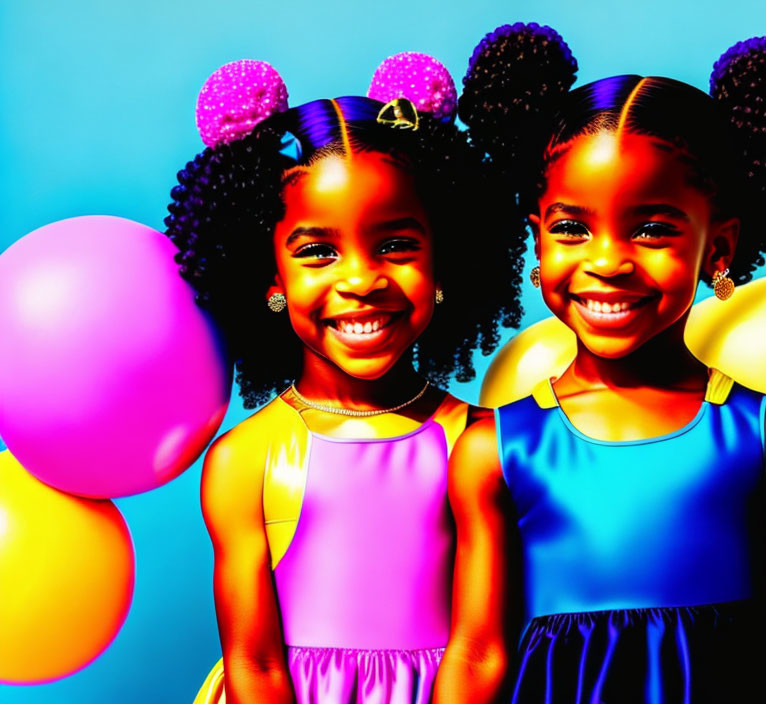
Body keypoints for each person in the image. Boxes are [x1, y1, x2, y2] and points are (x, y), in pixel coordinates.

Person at [435, 23, 766, 704]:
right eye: (572, 228)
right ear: (536, 240)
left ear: (720, 246)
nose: (607, 262)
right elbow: (477, 652)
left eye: (653, 228)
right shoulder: (497, 450)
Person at [165, 56, 525, 704]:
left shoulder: (481, 443)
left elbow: (483, 649)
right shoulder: (245, 460)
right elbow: (255, 666)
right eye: (317, 251)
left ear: (447, 257)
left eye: (394, 245)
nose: (360, 280)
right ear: (268, 276)